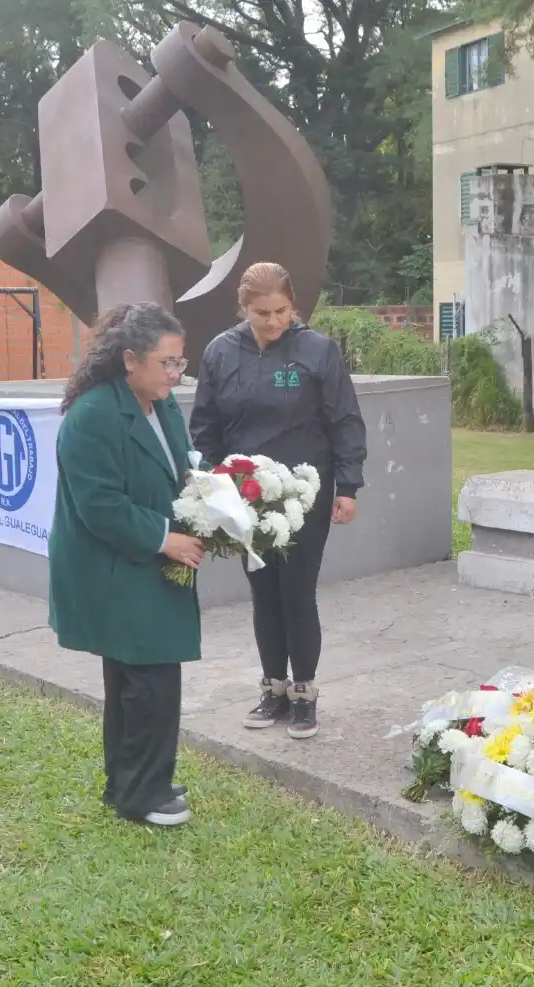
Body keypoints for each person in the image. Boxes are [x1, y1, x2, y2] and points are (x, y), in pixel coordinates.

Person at [190, 262, 367, 741]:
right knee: (263, 591)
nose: (273, 322)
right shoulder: (220, 353)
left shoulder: (317, 351)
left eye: (282, 311)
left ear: (293, 306)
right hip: (245, 497)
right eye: (262, 313)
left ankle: (305, 692)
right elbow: (205, 426)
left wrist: (348, 486)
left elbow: (345, 421)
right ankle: (273, 689)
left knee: (297, 591)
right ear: (243, 308)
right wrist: (212, 486)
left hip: (304, 494)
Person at [49, 302, 206, 827]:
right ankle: (142, 795)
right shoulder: (92, 416)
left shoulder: (160, 402)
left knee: (140, 678)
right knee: (148, 680)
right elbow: (100, 506)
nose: (176, 374)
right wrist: (166, 539)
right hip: (113, 566)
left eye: (180, 362)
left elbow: (183, 465)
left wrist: (218, 498)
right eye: (167, 363)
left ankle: (133, 782)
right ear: (130, 359)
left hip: (147, 560)